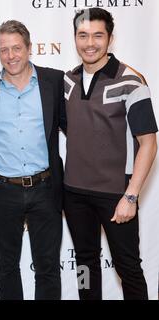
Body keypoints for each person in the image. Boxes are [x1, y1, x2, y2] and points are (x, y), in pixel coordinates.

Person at [63, 8, 157, 300]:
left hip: (116, 194)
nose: (89, 43)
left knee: (128, 267)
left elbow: (149, 143)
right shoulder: (67, 81)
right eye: (83, 35)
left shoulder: (131, 80)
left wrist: (131, 196)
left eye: (97, 35)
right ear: (75, 38)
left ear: (110, 39)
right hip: (74, 192)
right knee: (85, 265)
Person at [0, 20, 66, 300]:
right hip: (3, 189)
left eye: (17, 48)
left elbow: (77, 125)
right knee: (6, 266)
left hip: (46, 188)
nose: (11, 55)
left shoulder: (54, 80)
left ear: (29, 48)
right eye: (4, 50)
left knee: (48, 267)